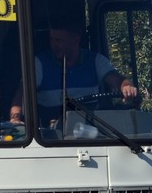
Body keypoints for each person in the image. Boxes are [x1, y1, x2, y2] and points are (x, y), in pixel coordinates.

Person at [9, 15, 138, 125]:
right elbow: (22, 92)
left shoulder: (95, 60)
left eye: (59, 40)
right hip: (50, 137)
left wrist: (126, 86)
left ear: (75, 39)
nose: (54, 45)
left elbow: (117, 80)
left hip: (93, 131)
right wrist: (15, 117)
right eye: (52, 40)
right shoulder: (40, 63)